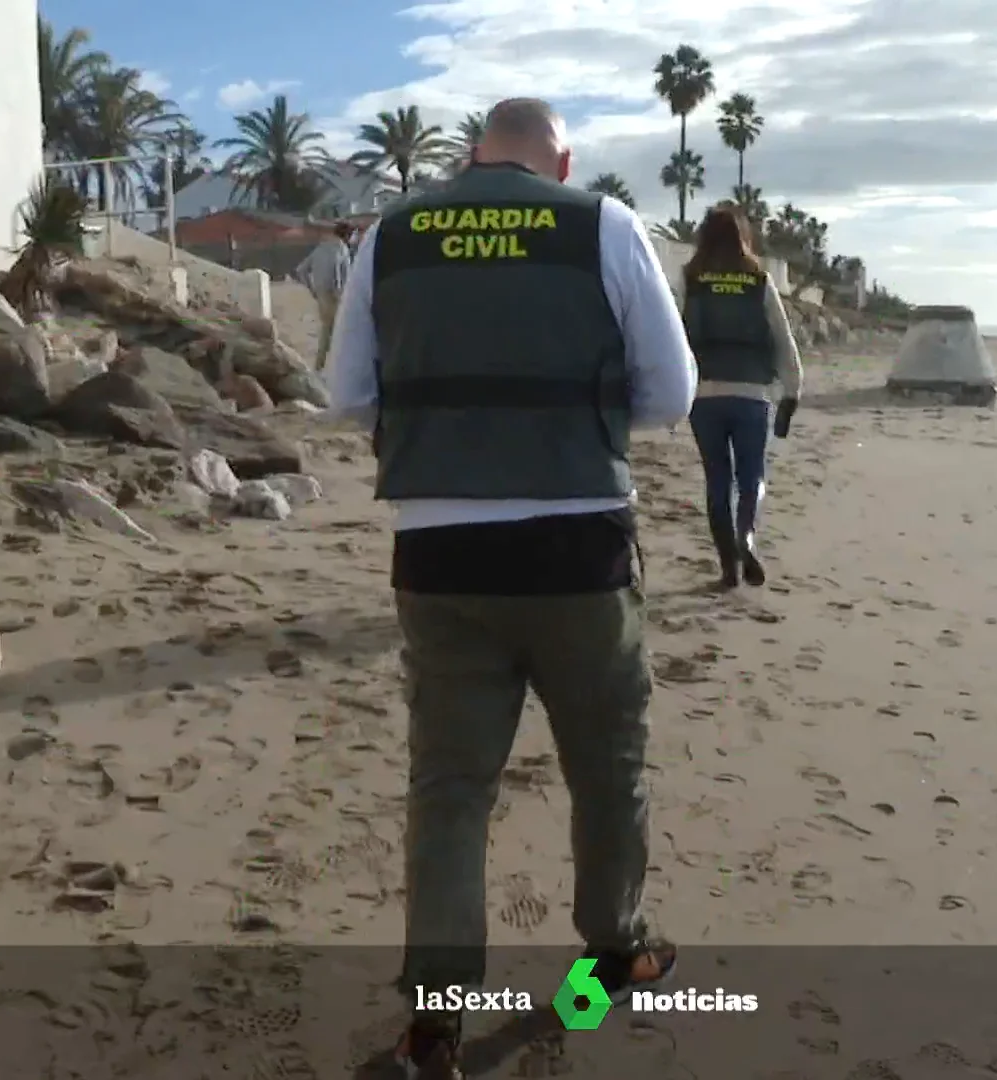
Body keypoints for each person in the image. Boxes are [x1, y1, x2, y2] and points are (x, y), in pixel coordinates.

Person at [325, 98, 697, 1078]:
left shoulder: (393, 233)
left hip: (439, 554)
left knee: (450, 790)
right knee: (606, 765)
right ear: (560, 163)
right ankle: (614, 952)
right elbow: (673, 391)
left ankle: (435, 1024)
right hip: (578, 548)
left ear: (473, 154)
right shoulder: (605, 226)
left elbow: (346, 394)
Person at [678, 203, 804, 588]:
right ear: (743, 238)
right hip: (752, 394)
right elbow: (783, 341)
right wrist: (792, 391)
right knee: (751, 477)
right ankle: (746, 537)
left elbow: (673, 335)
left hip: (704, 396)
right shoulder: (759, 281)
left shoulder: (690, 279)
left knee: (717, 479)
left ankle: (728, 568)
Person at [294, 220, 354, 368]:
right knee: (339, 332)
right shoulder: (341, 249)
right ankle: (329, 366)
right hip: (336, 297)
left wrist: (312, 289)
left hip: (321, 295)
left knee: (328, 331)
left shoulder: (321, 248)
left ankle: (322, 365)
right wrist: (339, 293)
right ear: (346, 235)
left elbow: (300, 270)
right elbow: (339, 273)